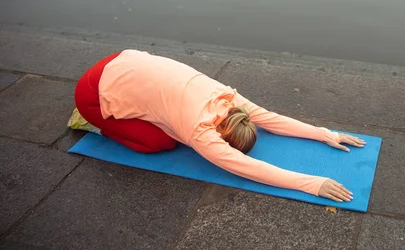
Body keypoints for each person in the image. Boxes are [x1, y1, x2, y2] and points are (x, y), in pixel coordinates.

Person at [70, 49, 365, 202]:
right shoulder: (199, 131)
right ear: (221, 138)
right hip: (91, 92)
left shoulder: (228, 98)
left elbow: (271, 119)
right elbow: (247, 168)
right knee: (160, 142)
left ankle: (127, 106)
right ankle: (98, 123)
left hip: (122, 60)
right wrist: (313, 184)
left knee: (164, 120)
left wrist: (325, 134)